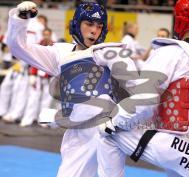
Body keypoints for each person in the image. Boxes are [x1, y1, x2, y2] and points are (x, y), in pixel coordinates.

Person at [96, 0, 189, 177]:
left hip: (173, 147)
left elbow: (144, 102)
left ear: (179, 21)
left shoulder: (170, 53)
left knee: (108, 135)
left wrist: (113, 121)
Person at [6, 1, 136, 177]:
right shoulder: (61, 54)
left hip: (109, 130)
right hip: (79, 136)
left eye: (99, 26)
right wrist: (20, 21)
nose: (94, 31)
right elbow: (19, 48)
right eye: (89, 24)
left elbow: (136, 89)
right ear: (76, 24)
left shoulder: (109, 53)